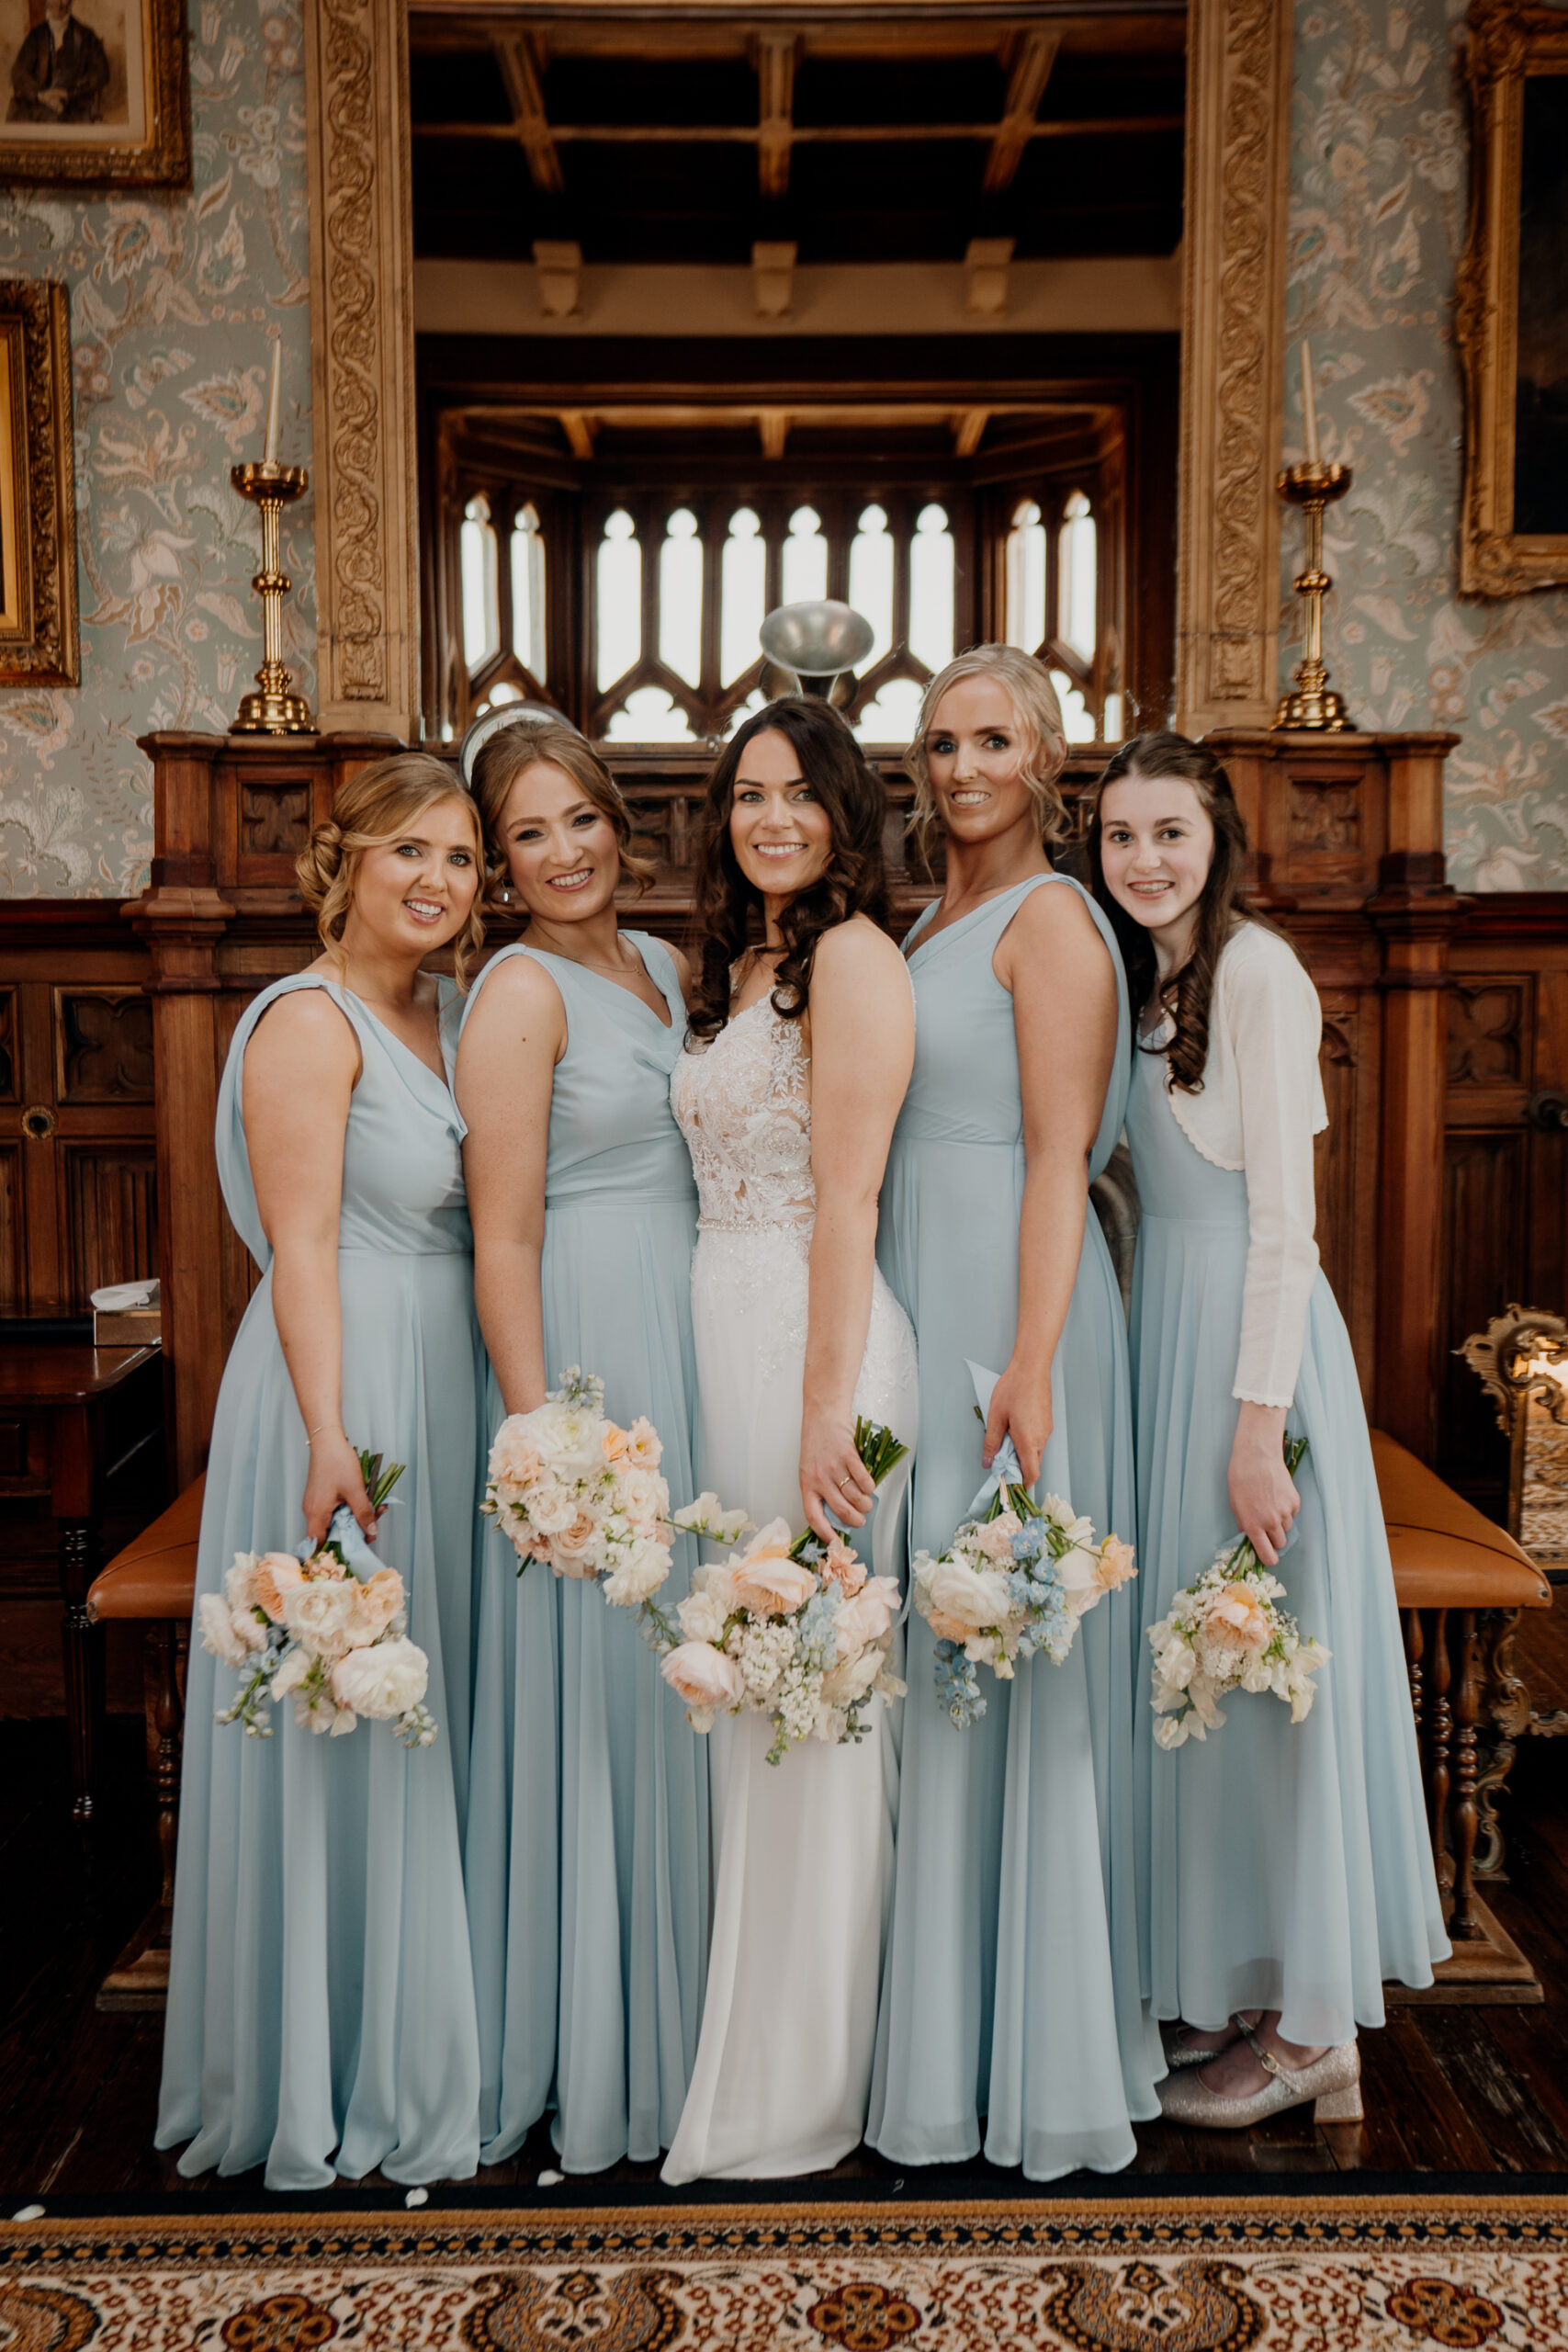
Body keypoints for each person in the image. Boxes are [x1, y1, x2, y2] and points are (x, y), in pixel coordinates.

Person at [1089, 730, 1450, 2127]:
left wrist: (1254, 1432)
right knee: (1206, 1683)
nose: (1144, 859)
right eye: (1119, 835)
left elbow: (1282, 1228)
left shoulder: (1255, 972)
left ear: (1215, 837)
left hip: (1253, 1355)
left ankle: (1314, 2034)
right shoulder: (1143, 975)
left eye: (1167, 831)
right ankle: (1240, 1984)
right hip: (1162, 1338)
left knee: (1271, 1671)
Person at [157, 752, 487, 2190]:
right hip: (338, 1386)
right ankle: (326, 2065)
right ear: (340, 862)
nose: (437, 880)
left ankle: (422, 2034)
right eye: (408, 850)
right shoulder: (309, 1020)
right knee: (344, 1711)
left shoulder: (456, 1014)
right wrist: (329, 1431)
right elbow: (299, 1245)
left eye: (463, 859)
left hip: (447, 1377)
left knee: (422, 1707)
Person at [868, 647, 1161, 2179]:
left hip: (1017, 1311)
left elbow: (1060, 1159)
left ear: (1046, 758)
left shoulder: (1053, 920)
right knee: (938, 1645)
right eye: (939, 742)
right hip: (926, 1294)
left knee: (1007, 1645)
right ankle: (939, 2035)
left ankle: (1030, 2056)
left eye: (992, 739)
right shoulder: (931, 918)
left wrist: (1033, 1361)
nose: (962, 764)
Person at [661, 696, 918, 2184]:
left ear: (842, 814)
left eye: (797, 795)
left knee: (803, 1685)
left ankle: (804, 2077)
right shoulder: (739, 962)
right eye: (746, 794)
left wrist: (829, 1414)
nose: (769, 818)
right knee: (739, 1681)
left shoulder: (853, 959)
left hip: (812, 1347)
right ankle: (734, 2026)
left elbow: (850, 1202)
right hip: (720, 1322)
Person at [456, 721, 706, 2171]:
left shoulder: (663, 970)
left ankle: (681, 2020)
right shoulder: (515, 992)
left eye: (579, 823)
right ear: (500, 868)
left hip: (679, 1334)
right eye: (528, 836)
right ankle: (591, 2045)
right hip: (585, 1351)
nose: (563, 855)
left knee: (674, 1667)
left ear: (619, 824)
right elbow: (502, 1234)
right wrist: (542, 1430)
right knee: (595, 1684)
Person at [9, 0, 110, 123]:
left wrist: (68, 93)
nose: (58, 3)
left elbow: (101, 73)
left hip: (74, 105)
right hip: (37, 104)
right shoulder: (35, 36)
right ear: (46, 3)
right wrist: (40, 96)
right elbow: (19, 72)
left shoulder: (86, 35)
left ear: (70, 2)